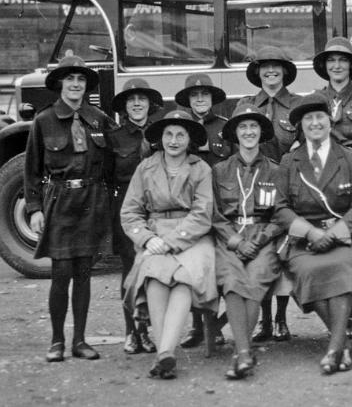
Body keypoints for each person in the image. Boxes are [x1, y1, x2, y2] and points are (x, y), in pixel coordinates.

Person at [24, 55, 115, 362]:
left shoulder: (99, 118)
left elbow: (115, 160)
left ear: (86, 85)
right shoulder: (44, 120)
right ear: (60, 83)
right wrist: (35, 208)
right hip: (60, 201)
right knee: (61, 272)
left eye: (81, 80)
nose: (76, 84)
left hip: (91, 201)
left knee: (84, 273)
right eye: (70, 79)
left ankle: (80, 340)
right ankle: (56, 341)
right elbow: (31, 169)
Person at [273, 94, 352, 375]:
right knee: (305, 272)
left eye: (320, 118)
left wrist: (336, 233)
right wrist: (312, 233)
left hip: (342, 237)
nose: (315, 123)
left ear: (330, 122)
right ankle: (342, 347)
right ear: (301, 127)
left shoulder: (348, 156)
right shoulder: (290, 161)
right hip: (306, 241)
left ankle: (335, 348)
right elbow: (280, 208)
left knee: (341, 268)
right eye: (308, 119)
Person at [121, 110, 217, 379]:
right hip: (155, 234)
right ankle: (166, 354)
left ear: (189, 140)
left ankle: (163, 352)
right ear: (160, 138)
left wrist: (170, 242)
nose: (174, 140)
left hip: (194, 237)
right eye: (168, 134)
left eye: (180, 134)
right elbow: (130, 212)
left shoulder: (201, 168)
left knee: (186, 277)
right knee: (155, 277)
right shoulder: (146, 167)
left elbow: (202, 214)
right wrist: (148, 238)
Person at [212, 105, 285, 379]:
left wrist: (261, 238)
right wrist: (234, 240)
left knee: (255, 278)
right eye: (243, 127)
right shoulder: (219, 170)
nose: (249, 132)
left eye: (253, 126)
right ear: (235, 134)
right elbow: (214, 215)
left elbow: (282, 215)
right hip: (230, 238)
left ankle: (241, 353)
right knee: (231, 279)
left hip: (262, 239)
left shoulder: (276, 170)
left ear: (261, 132)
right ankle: (244, 352)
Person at [237, 46, 300, 343]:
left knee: (283, 249)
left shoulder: (298, 105)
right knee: (261, 246)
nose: (271, 71)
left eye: (277, 66)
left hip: (289, 186)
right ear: (257, 72)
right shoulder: (246, 104)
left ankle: (281, 318)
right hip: (255, 186)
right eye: (265, 67)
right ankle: (263, 320)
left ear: (285, 71)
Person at [312, 37, 352, 338]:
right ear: (325, 66)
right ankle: (341, 316)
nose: (337, 66)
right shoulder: (315, 97)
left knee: (351, 239)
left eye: (343, 60)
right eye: (331, 61)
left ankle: (350, 311)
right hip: (324, 173)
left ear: (351, 65)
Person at [175, 73, 231, 349]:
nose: (200, 99)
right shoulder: (179, 130)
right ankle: (197, 326)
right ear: (188, 100)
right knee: (194, 268)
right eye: (194, 96)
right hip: (190, 209)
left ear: (212, 99)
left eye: (204, 95)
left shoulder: (224, 128)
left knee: (217, 269)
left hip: (220, 209)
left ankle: (215, 327)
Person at [108, 78, 163, 355]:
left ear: (149, 104)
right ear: (125, 106)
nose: (137, 104)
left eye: (141, 99)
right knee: (130, 272)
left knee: (153, 270)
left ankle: (148, 332)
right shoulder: (114, 137)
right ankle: (131, 332)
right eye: (131, 100)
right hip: (126, 210)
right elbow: (107, 178)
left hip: (155, 211)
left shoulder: (160, 134)